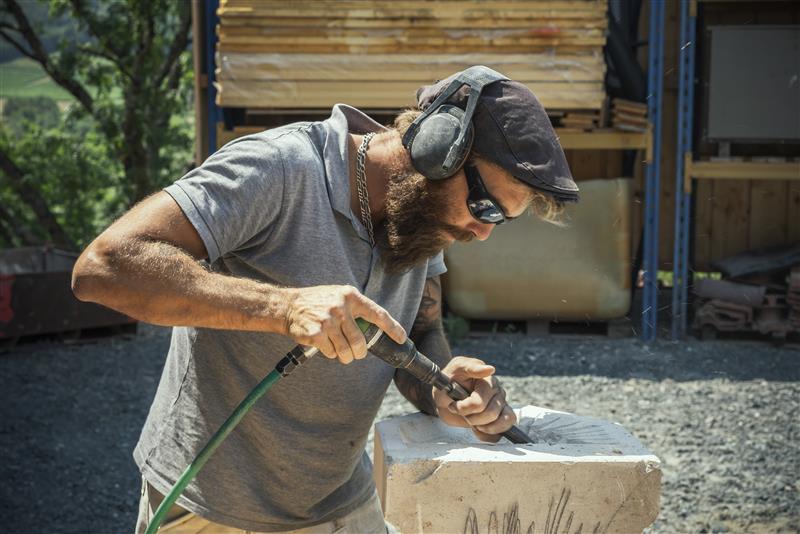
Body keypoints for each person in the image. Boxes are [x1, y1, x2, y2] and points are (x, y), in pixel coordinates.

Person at [72, 66, 579, 533]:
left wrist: (443, 387)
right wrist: (283, 309)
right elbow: (105, 267)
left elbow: (418, 331)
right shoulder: (280, 168)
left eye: (499, 220)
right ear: (438, 147)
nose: (482, 231)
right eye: (484, 206)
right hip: (215, 504)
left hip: (341, 502)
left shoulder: (422, 217)